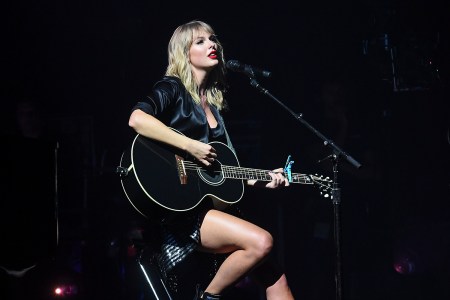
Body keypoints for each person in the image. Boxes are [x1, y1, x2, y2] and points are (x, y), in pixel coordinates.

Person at [127, 20, 295, 299]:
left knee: (277, 280)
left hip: (211, 206)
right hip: (183, 212)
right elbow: (137, 118)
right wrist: (190, 146)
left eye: (213, 39)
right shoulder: (173, 88)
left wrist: (260, 180)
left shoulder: (214, 103)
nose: (212, 45)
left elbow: (221, 174)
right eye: (200, 41)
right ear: (184, 52)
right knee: (261, 241)